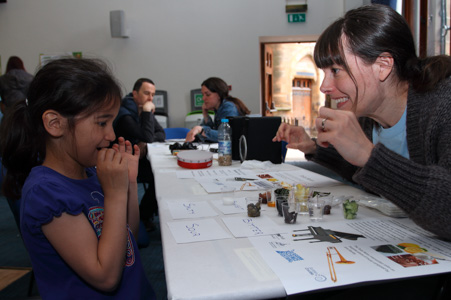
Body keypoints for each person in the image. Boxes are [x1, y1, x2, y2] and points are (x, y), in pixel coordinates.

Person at [273, 4, 451, 241]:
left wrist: (369, 156)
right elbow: (368, 173)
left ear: (383, 66)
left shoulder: (444, 105)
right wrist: (315, 147)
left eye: (335, 70)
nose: (325, 86)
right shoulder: (369, 119)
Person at [0, 58, 156, 299]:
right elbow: (105, 277)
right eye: (102, 123)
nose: (112, 135)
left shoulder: (92, 172)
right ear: (55, 124)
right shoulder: (46, 193)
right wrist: (114, 195)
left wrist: (129, 183)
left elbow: (129, 239)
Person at [113, 78, 165, 232]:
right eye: (146, 93)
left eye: (153, 95)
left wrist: (143, 142)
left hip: (137, 158)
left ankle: (145, 214)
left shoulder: (141, 108)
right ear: (135, 93)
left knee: (160, 175)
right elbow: (149, 136)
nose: (150, 98)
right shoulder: (124, 113)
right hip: (122, 162)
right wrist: (148, 113)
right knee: (158, 177)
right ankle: (143, 216)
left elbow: (160, 133)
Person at [185, 77, 250, 142]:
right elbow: (213, 131)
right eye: (202, 95)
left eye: (207, 95)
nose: (203, 98)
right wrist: (205, 114)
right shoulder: (218, 108)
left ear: (219, 95)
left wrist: (201, 130)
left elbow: (226, 135)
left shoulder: (228, 107)